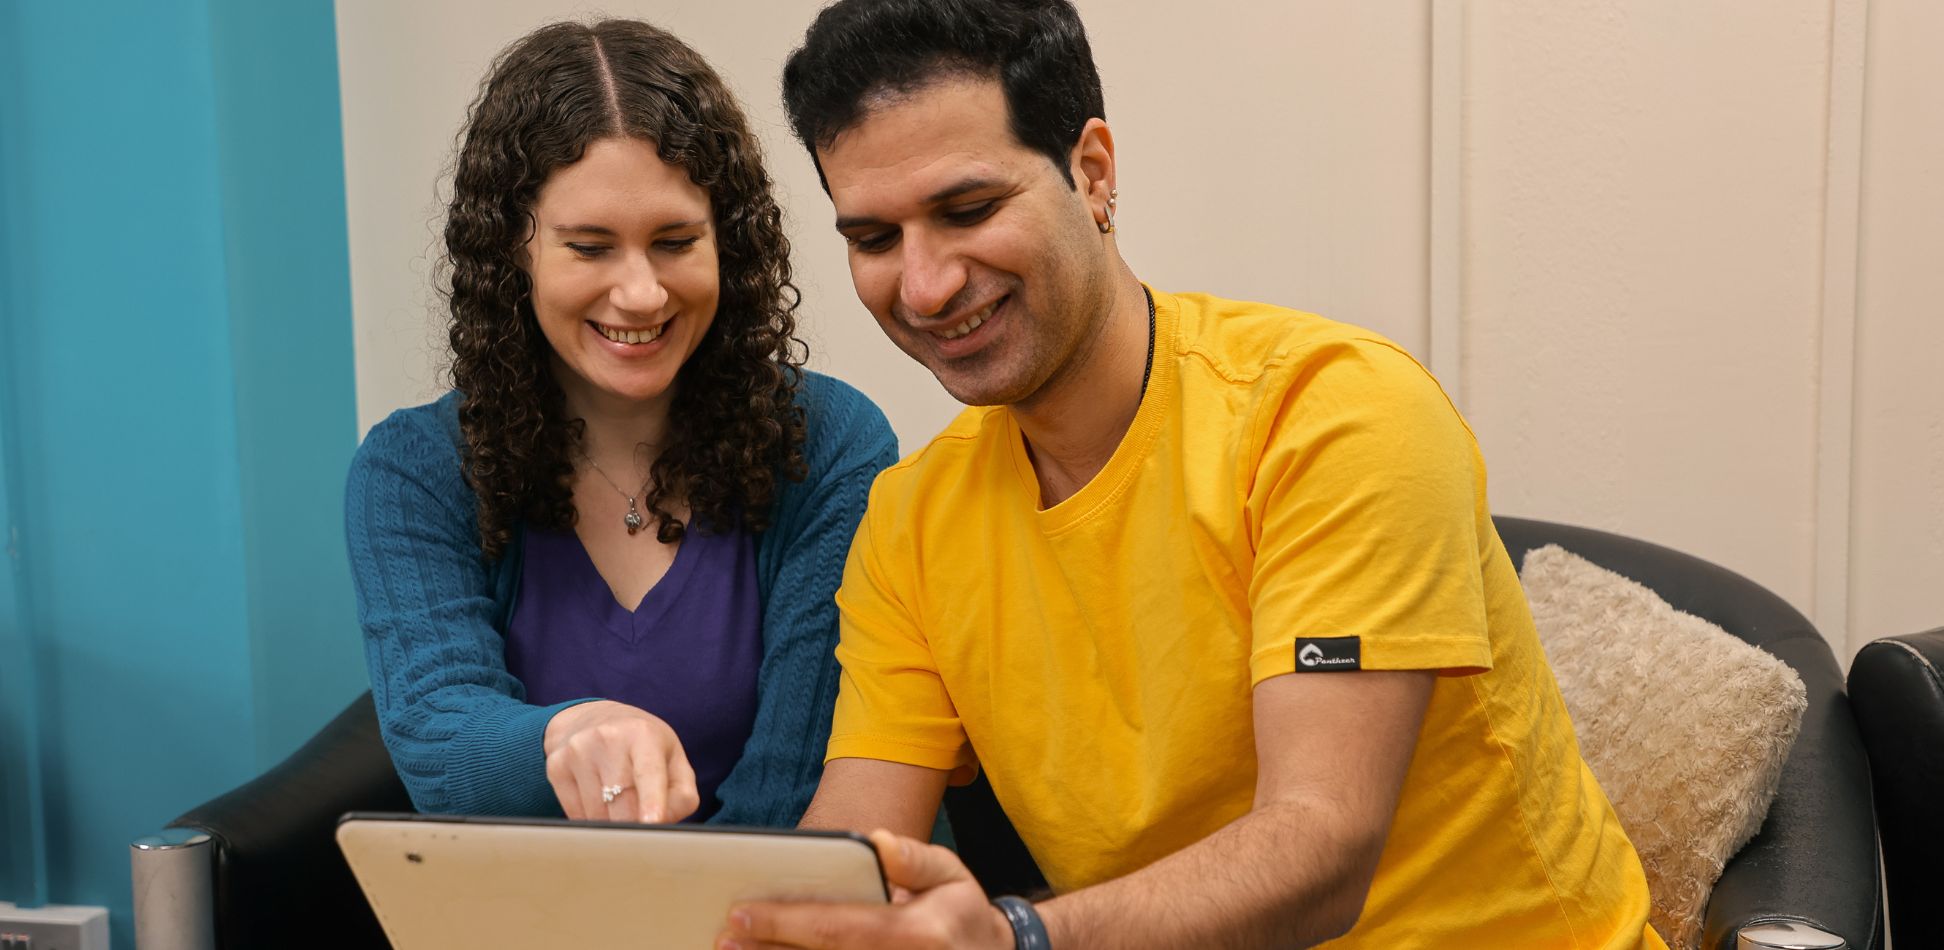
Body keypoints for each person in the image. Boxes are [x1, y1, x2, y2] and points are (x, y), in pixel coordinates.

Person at [716, 0, 1668, 947]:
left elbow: (1321, 851)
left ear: (1092, 171)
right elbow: (860, 858)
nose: (923, 286)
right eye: (873, 239)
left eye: (968, 210)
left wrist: (1017, 940)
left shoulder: (1333, 414)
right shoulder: (912, 520)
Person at [345, 19, 895, 829]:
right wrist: (571, 733)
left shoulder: (831, 443)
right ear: (514, 250)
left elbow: (791, 798)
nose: (640, 293)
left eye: (675, 242)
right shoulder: (413, 471)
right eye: (590, 247)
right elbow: (439, 746)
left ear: (730, 244)